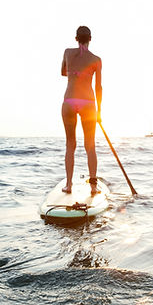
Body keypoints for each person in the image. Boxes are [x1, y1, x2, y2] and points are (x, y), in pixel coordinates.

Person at [61, 26, 102, 195]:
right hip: (88, 103)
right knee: (90, 145)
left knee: (70, 144)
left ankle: (69, 185)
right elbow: (98, 87)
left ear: (76, 38)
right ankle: (93, 186)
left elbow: (63, 72)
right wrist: (99, 112)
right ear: (90, 39)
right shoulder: (96, 60)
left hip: (69, 101)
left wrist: (74, 72)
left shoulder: (67, 53)